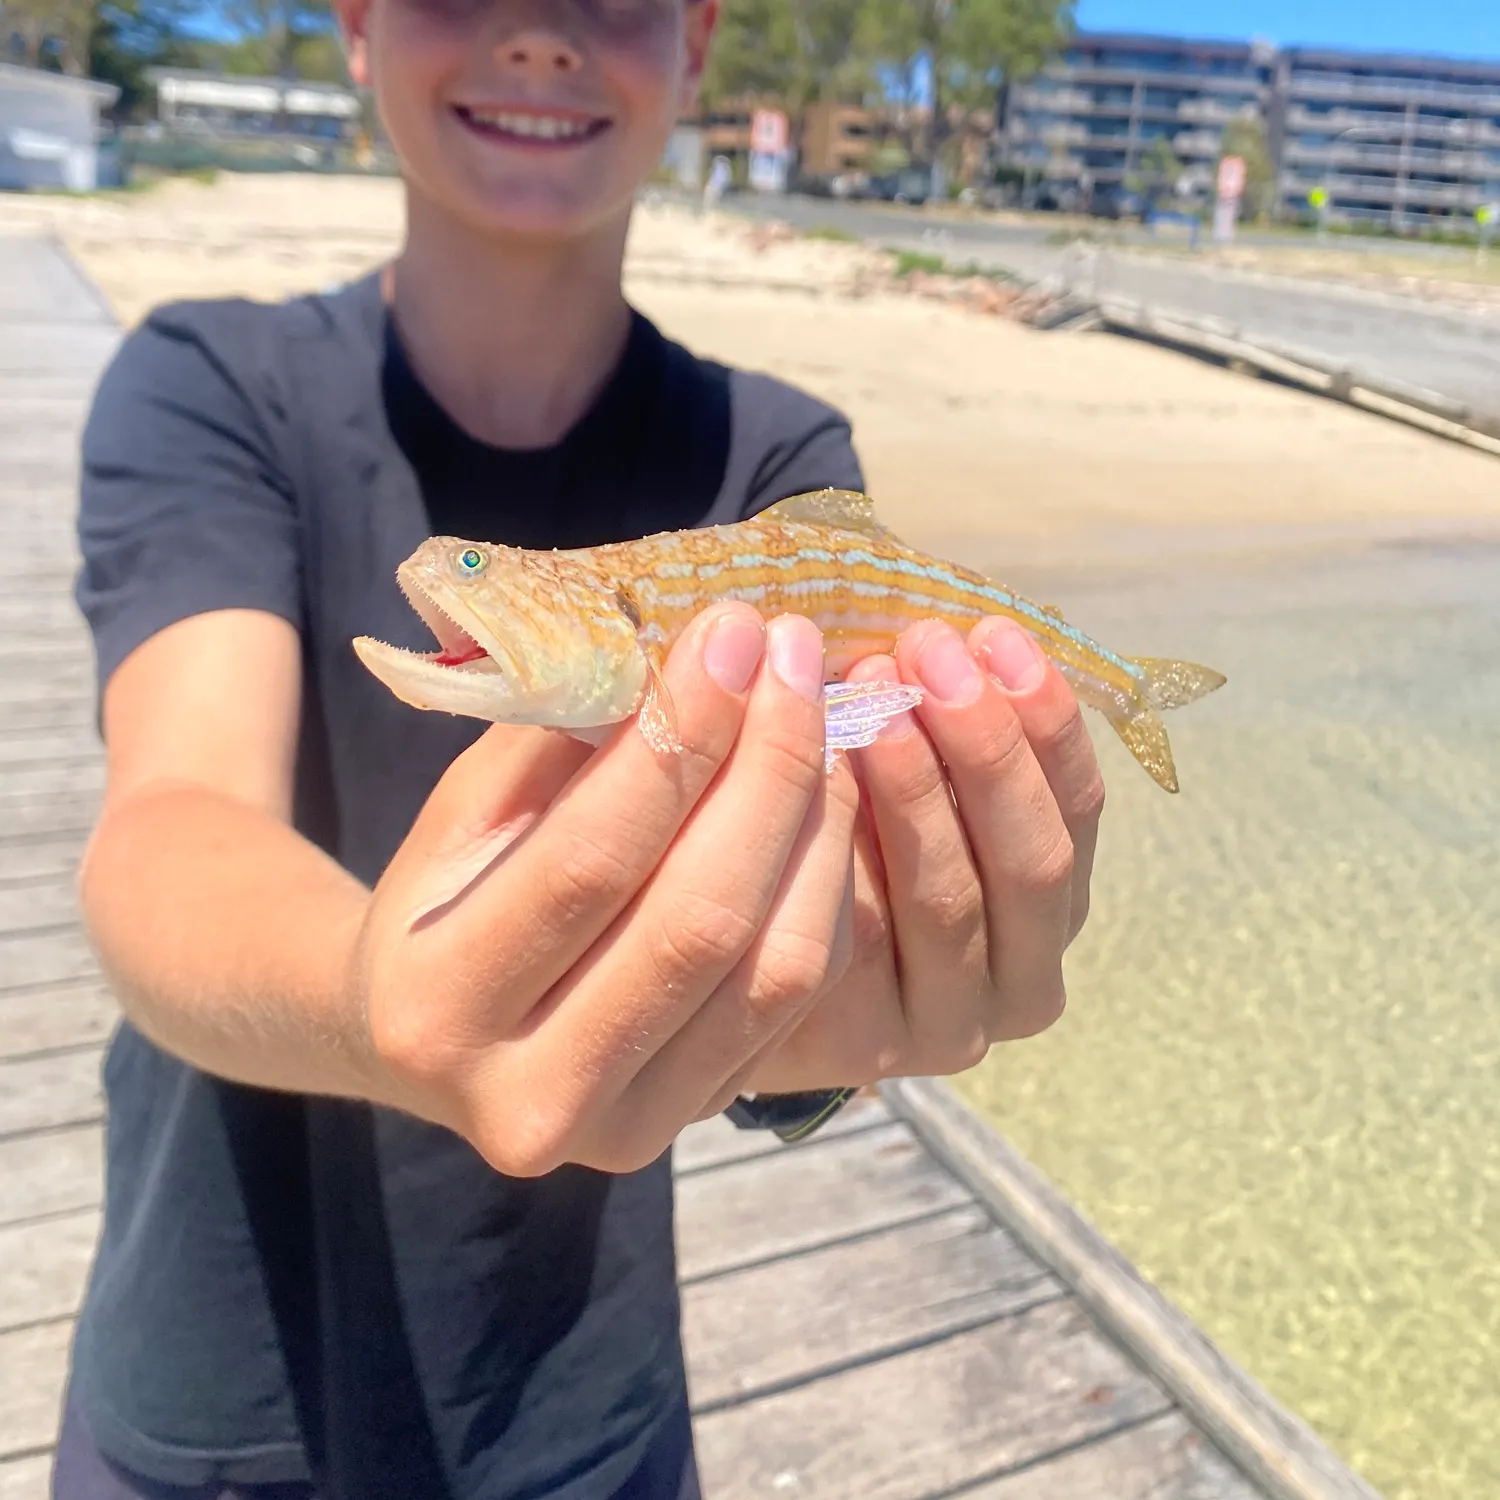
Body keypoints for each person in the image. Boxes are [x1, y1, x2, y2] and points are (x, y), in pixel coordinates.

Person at [56, 0, 1106, 1496]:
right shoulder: (210, 384)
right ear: (354, 25)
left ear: (696, 39)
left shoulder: (783, 467)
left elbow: (828, 914)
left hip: (581, 1398)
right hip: (213, 1372)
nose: (540, 35)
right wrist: (371, 1001)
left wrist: (832, 1025)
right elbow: (169, 824)